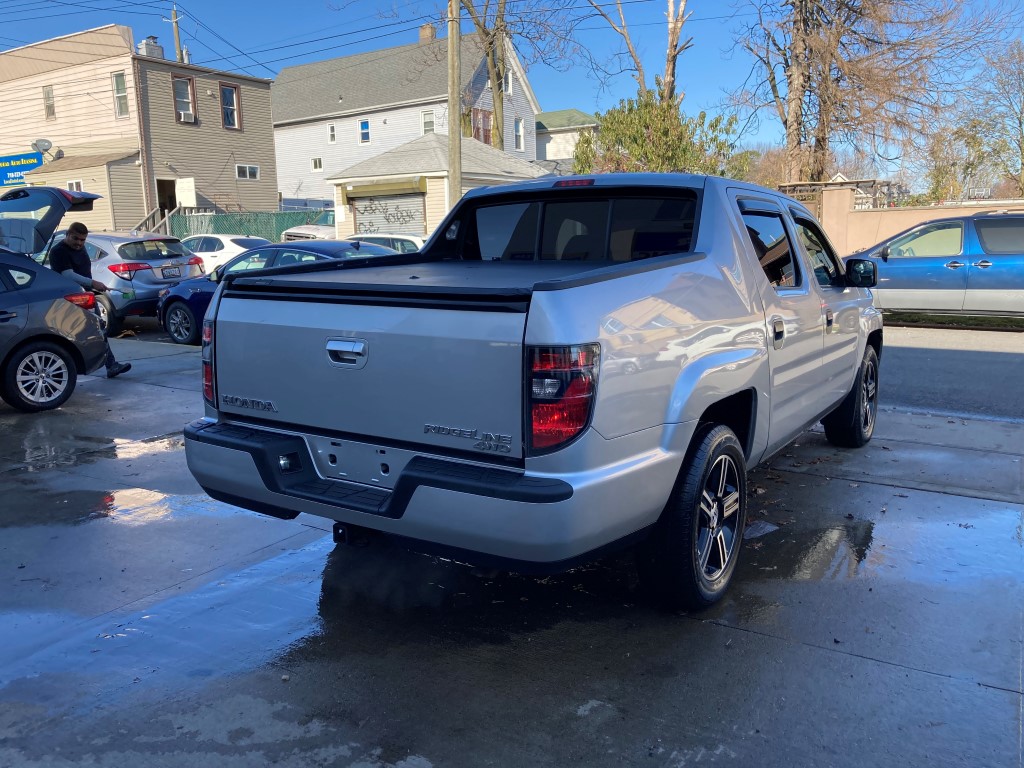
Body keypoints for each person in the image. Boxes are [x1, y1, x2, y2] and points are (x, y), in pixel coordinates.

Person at [48, 222, 131, 378]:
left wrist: (93, 286)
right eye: (75, 238)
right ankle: (58, 370)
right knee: (70, 334)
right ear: (67, 235)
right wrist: (93, 283)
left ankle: (111, 365)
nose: (79, 243)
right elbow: (68, 275)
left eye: (82, 240)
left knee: (98, 329)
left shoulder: (80, 248)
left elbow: (84, 271)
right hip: (71, 299)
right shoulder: (58, 252)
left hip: (86, 296)